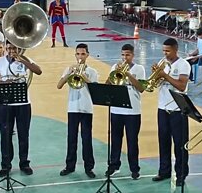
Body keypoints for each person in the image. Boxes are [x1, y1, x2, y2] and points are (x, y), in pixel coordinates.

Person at [0, 41, 42, 177]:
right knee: (5, 135)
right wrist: (4, 82)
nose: (10, 51)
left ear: (18, 49)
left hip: (23, 104)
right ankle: (6, 165)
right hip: (6, 104)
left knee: (23, 134)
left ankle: (24, 163)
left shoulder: (24, 59)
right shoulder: (0, 61)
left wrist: (23, 61)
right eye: (8, 48)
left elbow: (38, 71)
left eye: (13, 48)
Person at [153, 38, 191, 186]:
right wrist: (156, 76)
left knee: (180, 143)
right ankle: (164, 171)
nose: (165, 53)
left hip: (177, 110)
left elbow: (181, 86)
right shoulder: (164, 63)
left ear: (176, 50)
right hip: (162, 108)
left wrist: (165, 76)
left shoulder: (183, 65)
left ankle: (181, 174)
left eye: (168, 51)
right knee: (163, 142)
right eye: (163, 50)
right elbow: (157, 83)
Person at [57, 43, 98, 178]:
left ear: (87, 55)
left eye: (83, 54)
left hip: (86, 109)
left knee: (87, 139)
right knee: (71, 138)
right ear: (75, 55)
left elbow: (95, 90)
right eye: (78, 54)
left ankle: (89, 167)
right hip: (73, 108)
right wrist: (69, 73)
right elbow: (59, 85)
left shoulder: (92, 72)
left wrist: (84, 76)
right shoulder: (69, 69)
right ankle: (70, 166)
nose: (80, 56)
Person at [105, 44, 145, 180]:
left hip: (133, 111)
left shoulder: (139, 69)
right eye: (122, 55)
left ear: (133, 55)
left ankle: (134, 168)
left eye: (127, 55)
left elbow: (141, 88)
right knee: (115, 140)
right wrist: (113, 74)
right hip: (116, 109)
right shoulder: (115, 67)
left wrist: (128, 74)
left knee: (132, 141)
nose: (124, 58)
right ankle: (114, 165)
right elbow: (107, 86)